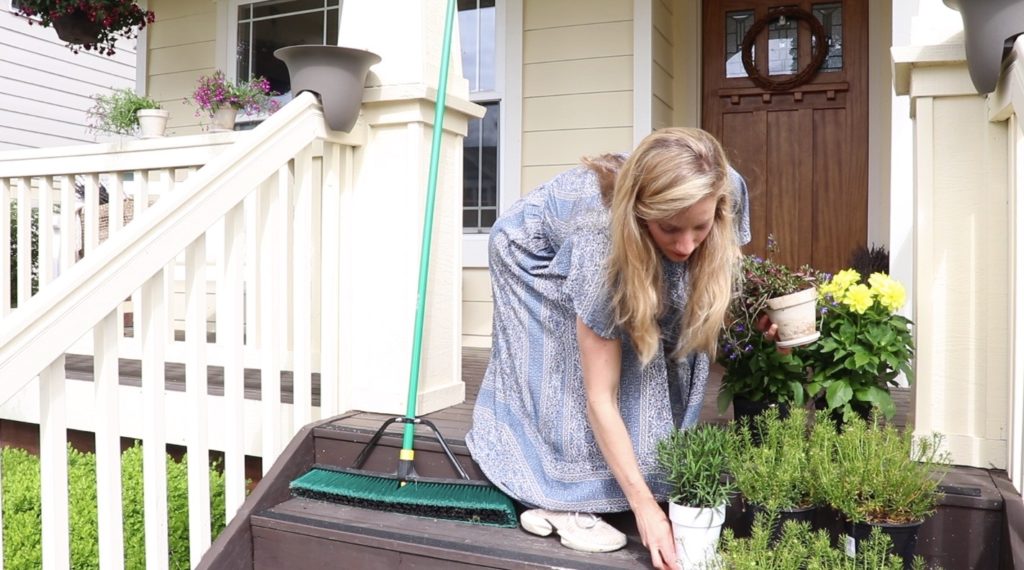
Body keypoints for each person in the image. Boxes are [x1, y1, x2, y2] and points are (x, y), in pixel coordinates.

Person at [465, 127, 751, 569]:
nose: (687, 244)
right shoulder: (599, 246)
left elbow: (722, 262)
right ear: (640, 215)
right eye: (670, 229)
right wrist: (646, 511)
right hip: (529, 255)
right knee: (575, 363)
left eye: (700, 226)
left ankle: (637, 467)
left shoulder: (725, 184)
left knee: (655, 323)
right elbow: (600, 395)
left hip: (605, 240)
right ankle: (560, 493)